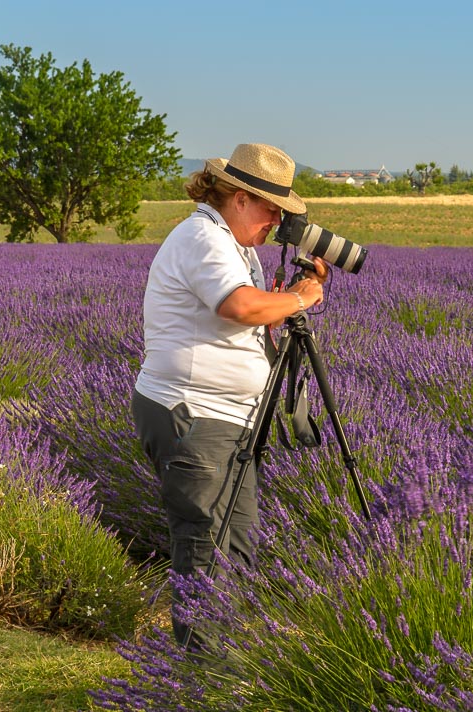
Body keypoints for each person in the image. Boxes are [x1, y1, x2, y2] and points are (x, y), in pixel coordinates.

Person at [131, 143, 327, 649]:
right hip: (195, 419)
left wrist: (286, 296)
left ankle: (224, 666)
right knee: (207, 548)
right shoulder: (203, 238)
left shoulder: (232, 243)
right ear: (240, 198)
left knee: (234, 546)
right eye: (272, 210)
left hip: (222, 419)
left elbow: (247, 318)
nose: (278, 222)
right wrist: (300, 299)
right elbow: (239, 306)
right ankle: (204, 679)